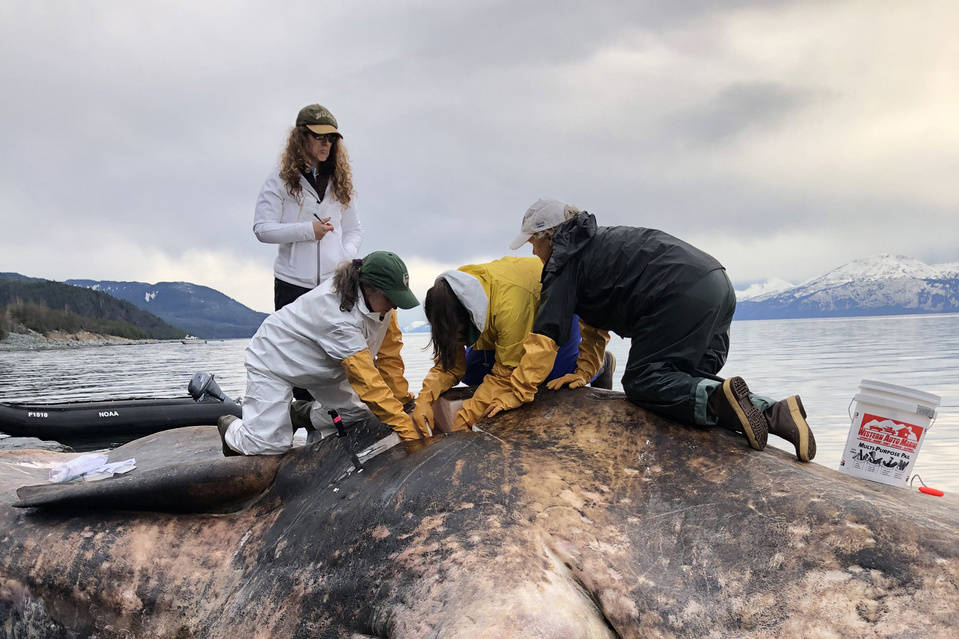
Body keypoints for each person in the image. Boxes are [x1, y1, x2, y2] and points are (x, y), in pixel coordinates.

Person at [486, 197, 816, 462]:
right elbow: (592, 322)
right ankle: (777, 414)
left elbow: (546, 335)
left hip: (677, 295)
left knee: (645, 382)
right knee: (681, 381)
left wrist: (518, 392)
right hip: (717, 284)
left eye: (532, 242)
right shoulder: (592, 245)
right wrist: (584, 370)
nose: (532, 251)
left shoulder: (564, 262)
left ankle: (723, 400)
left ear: (548, 235)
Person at [217, 251, 425, 456]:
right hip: (274, 359)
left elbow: (390, 357)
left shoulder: (385, 308)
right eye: (391, 298)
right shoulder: (337, 316)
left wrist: (403, 401)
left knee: (357, 413)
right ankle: (230, 428)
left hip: (329, 367)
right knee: (267, 446)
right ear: (369, 288)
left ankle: (299, 414)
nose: (395, 304)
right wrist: (404, 426)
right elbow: (367, 382)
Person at [412, 257, 615, 434]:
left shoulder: (510, 309)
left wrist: (465, 420)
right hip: (504, 329)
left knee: (548, 379)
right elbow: (451, 363)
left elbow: (505, 376)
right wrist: (425, 399)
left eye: (460, 335)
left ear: (469, 318)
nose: (459, 341)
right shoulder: (450, 295)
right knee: (471, 373)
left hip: (550, 319)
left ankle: (601, 364)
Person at [254, 103, 363, 311]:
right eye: (319, 137)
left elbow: (354, 230)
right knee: (293, 345)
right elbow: (262, 229)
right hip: (291, 286)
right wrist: (308, 230)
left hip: (334, 285)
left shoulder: (340, 181)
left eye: (331, 138)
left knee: (331, 344)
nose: (326, 144)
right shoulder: (280, 179)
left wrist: (344, 259)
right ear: (301, 137)